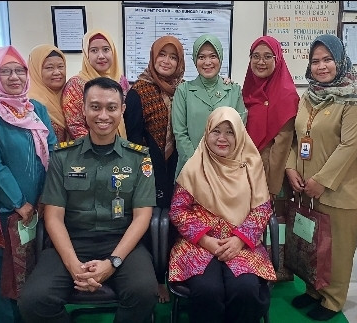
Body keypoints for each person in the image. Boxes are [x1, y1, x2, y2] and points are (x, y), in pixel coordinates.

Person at [18, 77, 158, 323]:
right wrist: (73, 265)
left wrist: (112, 262)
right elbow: (53, 217)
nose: (103, 114)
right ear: (83, 109)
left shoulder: (139, 159)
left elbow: (142, 217)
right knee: (34, 300)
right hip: (72, 241)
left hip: (122, 243)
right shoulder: (63, 157)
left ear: (122, 110)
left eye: (111, 107)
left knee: (144, 292)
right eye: (95, 106)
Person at [283, 34, 357, 321]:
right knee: (312, 243)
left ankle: (333, 300)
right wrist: (290, 168)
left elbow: (351, 146)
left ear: (340, 61)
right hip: (305, 188)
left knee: (337, 248)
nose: (321, 66)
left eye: (327, 60)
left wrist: (321, 180)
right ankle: (313, 290)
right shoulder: (309, 96)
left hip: (338, 190)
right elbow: (296, 139)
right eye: (316, 61)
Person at [168, 106, 277, 323]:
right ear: (206, 133)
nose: (222, 138)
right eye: (216, 131)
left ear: (240, 135)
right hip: (198, 244)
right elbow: (178, 210)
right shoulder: (194, 167)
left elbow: (262, 208)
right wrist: (206, 240)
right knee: (208, 290)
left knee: (245, 290)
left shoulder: (251, 165)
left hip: (242, 243)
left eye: (230, 132)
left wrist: (239, 239)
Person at [0, 45, 58, 323]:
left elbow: (54, 152)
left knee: (34, 267)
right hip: (6, 209)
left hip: (40, 205)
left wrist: (47, 198)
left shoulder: (37, 110)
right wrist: (19, 202)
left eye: (19, 70)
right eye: (5, 71)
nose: (14, 77)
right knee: (5, 275)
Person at [123, 35, 186, 303]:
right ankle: (156, 279)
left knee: (177, 223)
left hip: (180, 168)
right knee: (148, 225)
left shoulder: (184, 90)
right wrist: (148, 172)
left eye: (173, 57)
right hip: (149, 170)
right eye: (162, 55)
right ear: (153, 57)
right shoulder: (138, 91)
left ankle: (176, 274)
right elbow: (133, 138)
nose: (167, 61)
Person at [171, 34, 247, 179]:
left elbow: (239, 131)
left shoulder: (233, 90)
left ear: (220, 58)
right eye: (201, 57)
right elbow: (180, 133)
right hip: (191, 169)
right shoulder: (184, 90)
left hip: (226, 170)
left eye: (213, 56)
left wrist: (222, 164)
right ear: (195, 60)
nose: (207, 62)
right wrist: (198, 164)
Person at [242, 35, 299, 200]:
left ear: (278, 59)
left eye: (268, 56)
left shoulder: (286, 95)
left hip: (269, 176)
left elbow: (282, 147)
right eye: (256, 56)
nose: (261, 62)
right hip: (245, 170)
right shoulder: (247, 90)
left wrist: (271, 188)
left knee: (271, 224)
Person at [62, 29, 128, 140]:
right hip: (89, 152)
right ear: (86, 55)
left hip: (119, 147)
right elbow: (75, 126)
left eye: (106, 49)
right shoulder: (75, 85)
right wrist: (100, 147)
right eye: (94, 50)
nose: (101, 56)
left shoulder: (121, 81)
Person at [28, 44, 70, 142]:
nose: (57, 72)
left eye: (60, 67)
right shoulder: (30, 103)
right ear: (36, 70)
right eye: (49, 68)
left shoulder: (70, 95)